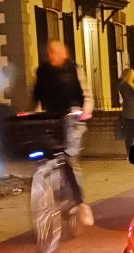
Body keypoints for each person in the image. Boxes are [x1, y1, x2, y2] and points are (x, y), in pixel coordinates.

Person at [32, 40, 94, 225]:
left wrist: (86, 111)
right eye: (49, 52)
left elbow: (87, 94)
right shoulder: (42, 71)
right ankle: (47, 191)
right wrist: (31, 113)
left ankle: (81, 203)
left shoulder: (74, 69)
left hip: (72, 117)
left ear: (64, 54)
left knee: (69, 157)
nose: (52, 55)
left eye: (55, 52)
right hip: (51, 118)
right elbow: (36, 96)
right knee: (44, 154)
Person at [118, 68, 134, 153]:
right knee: (133, 134)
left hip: (133, 113)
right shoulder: (126, 86)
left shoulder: (126, 85)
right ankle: (132, 152)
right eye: (132, 74)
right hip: (131, 114)